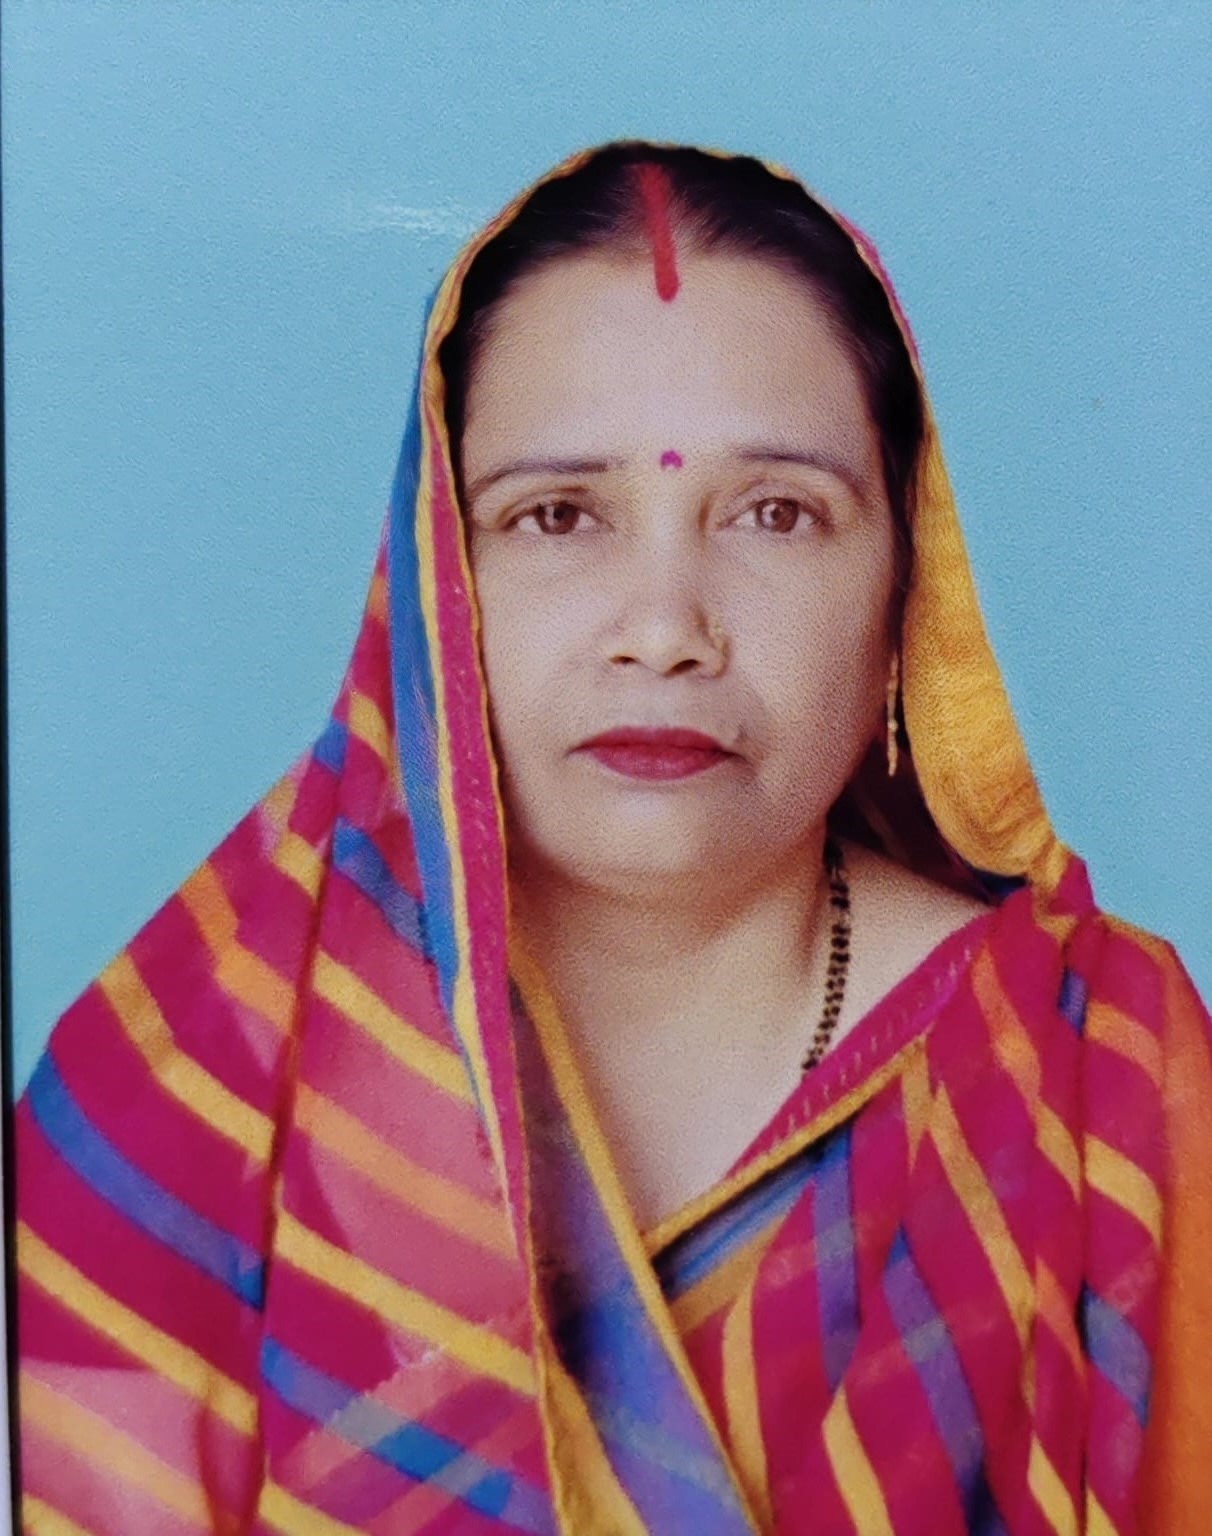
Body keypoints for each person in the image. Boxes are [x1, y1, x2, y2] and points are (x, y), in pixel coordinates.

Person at [13, 139, 1211, 1535]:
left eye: (777, 514)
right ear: (434, 577)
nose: (664, 630)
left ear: (908, 591)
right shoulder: (184, 1094)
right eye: (558, 515)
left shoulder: (1098, 1078)